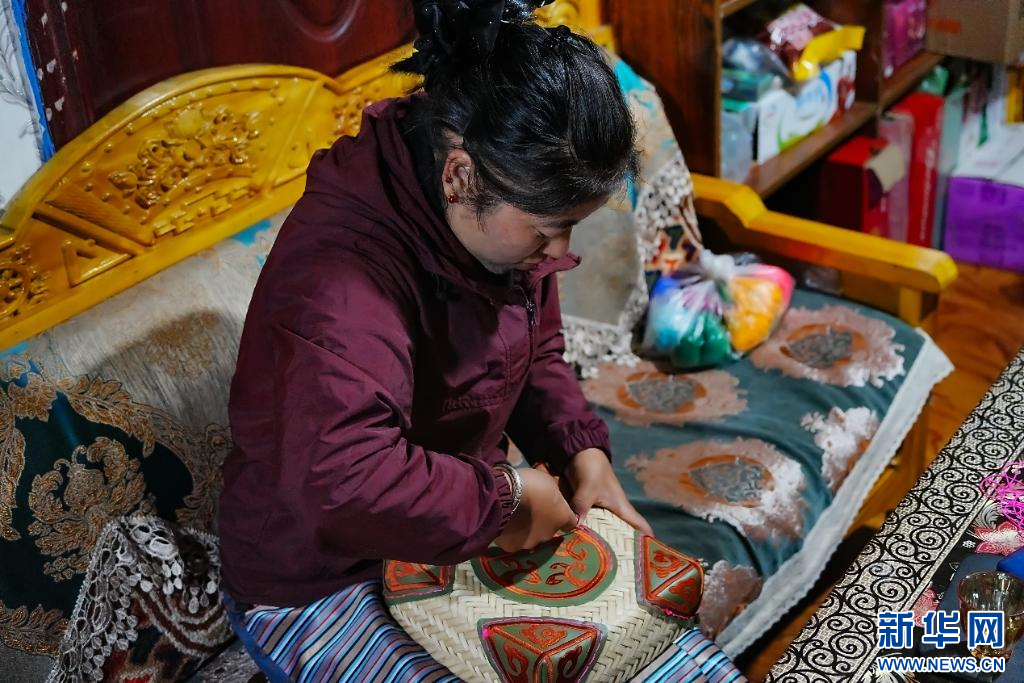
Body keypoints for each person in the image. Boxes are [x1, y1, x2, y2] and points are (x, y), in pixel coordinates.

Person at [216, 2, 743, 681]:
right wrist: (505, 501)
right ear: (459, 177)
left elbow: (534, 351)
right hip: (323, 572)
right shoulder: (338, 277)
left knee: (663, 654)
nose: (559, 250)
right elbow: (342, 478)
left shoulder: (495, 224)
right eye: (547, 229)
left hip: (456, 518)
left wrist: (579, 450)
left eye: (572, 227)